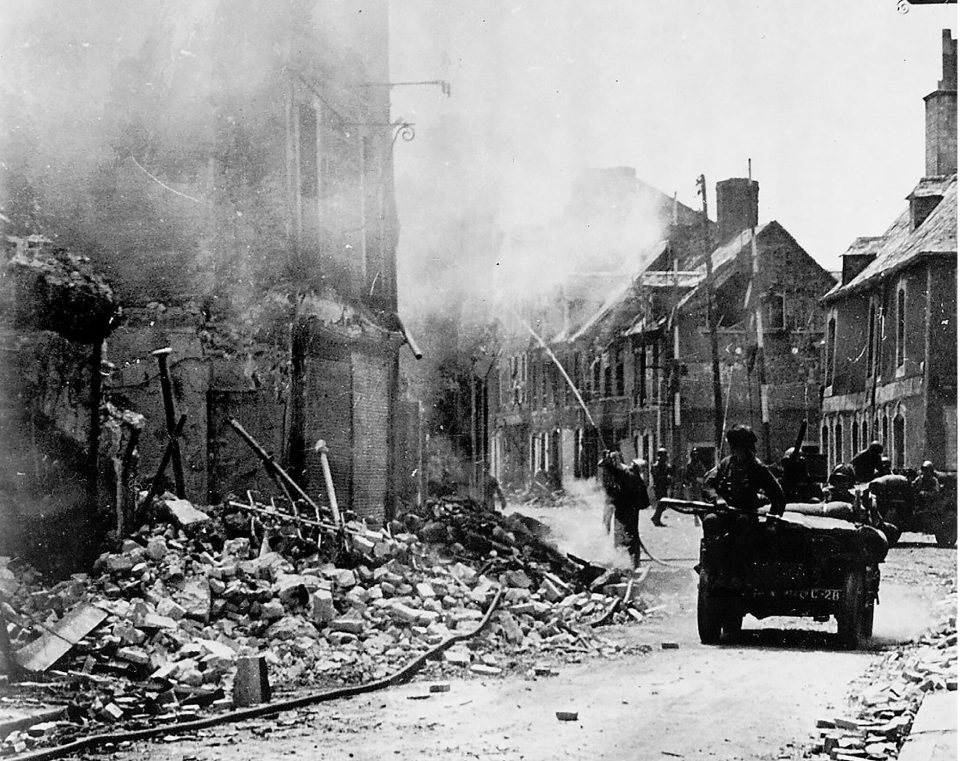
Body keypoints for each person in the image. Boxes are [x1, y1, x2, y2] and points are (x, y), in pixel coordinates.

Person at [703, 425, 786, 517]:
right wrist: (717, 499)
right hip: (725, 512)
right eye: (734, 447)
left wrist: (772, 519)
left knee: (742, 523)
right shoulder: (726, 463)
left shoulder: (758, 468)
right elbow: (708, 484)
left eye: (740, 448)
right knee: (710, 520)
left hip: (747, 515)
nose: (736, 451)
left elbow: (778, 496)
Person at [599, 450, 649, 566]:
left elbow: (614, 471)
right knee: (633, 537)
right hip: (632, 512)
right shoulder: (637, 479)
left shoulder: (627, 475)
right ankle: (634, 563)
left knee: (621, 537)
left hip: (622, 512)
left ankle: (622, 563)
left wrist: (606, 461)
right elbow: (645, 502)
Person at [650, 448, 674, 526]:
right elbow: (658, 477)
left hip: (662, 487)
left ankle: (656, 517)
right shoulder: (657, 466)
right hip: (659, 487)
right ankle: (656, 518)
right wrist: (666, 477)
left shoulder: (664, 466)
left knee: (663, 504)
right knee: (663, 503)